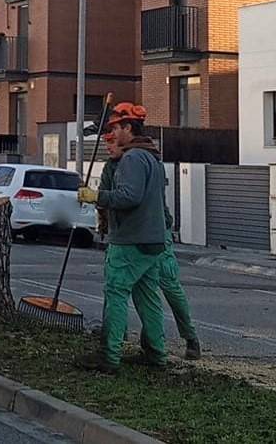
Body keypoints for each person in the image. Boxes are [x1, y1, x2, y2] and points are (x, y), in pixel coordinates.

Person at [76, 102, 168, 373]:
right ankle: (156, 354)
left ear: (128, 128)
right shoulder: (152, 158)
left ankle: (109, 356)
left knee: (115, 293)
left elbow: (129, 196)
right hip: (153, 240)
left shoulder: (132, 159)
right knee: (147, 297)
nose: (110, 135)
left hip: (130, 240)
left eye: (114, 128)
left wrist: (97, 197)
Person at [98, 131, 201, 361]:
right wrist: (104, 221)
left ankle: (190, 337)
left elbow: (136, 198)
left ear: (125, 141)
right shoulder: (112, 167)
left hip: (154, 232)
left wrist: (164, 225)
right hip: (132, 234)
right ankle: (135, 339)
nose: (109, 147)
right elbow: (106, 199)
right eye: (106, 143)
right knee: (137, 288)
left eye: (112, 142)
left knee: (167, 285)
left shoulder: (138, 160)